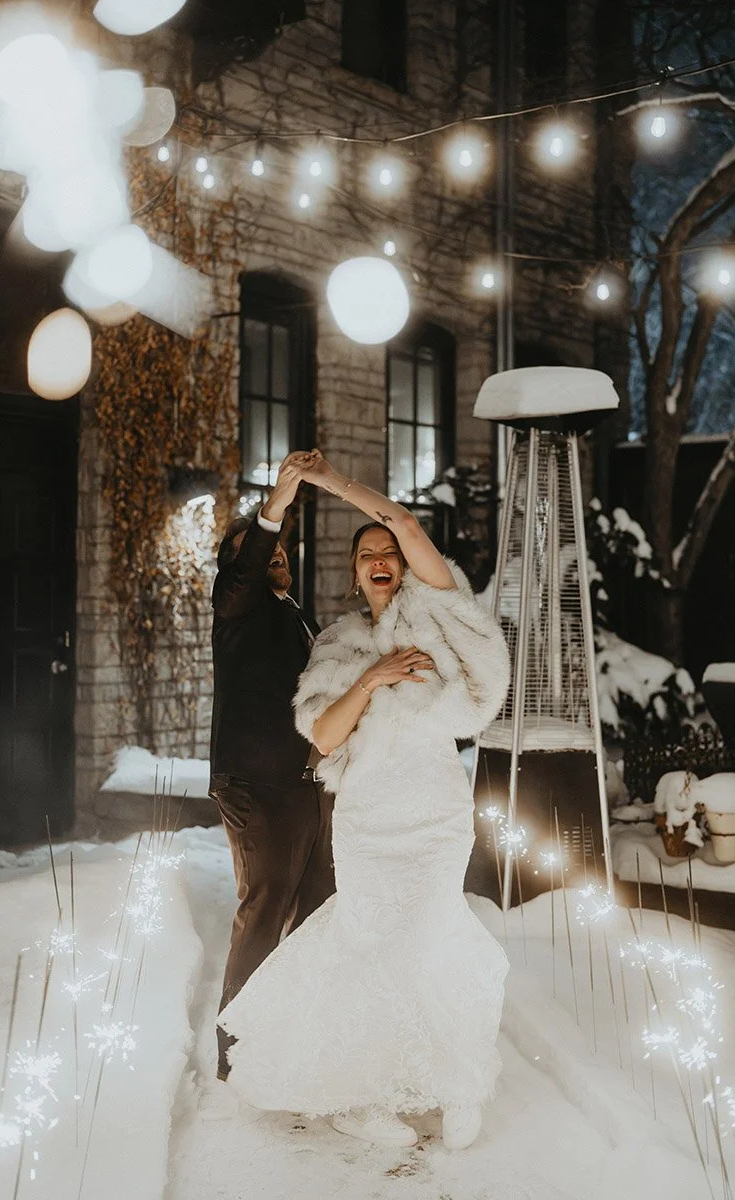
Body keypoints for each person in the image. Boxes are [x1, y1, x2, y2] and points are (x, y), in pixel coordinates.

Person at [219, 451, 510, 1150]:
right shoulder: (338, 642)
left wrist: (326, 483)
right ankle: (364, 1093)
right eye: (366, 555)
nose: (380, 558)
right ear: (353, 574)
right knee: (371, 955)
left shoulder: (437, 611)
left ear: (404, 565)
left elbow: (403, 520)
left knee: (439, 942)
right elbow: (321, 733)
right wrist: (372, 679)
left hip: (436, 815)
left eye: (387, 552)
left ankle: (459, 1084)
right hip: (369, 823)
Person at [209, 450, 335, 1082]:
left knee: (318, 905)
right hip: (257, 782)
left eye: (283, 548)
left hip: (306, 782)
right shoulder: (236, 606)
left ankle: (298, 1030)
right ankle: (237, 1049)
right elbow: (247, 566)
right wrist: (273, 508)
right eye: (262, 550)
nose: (276, 554)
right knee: (266, 905)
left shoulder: (291, 610)